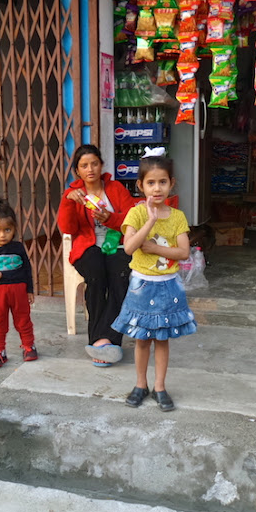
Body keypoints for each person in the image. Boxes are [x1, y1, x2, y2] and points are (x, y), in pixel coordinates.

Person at [112, 148, 197, 411]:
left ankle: (160, 386)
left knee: (162, 339)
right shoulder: (136, 214)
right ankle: (141, 384)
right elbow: (129, 248)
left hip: (168, 285)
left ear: (172, 183)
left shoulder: (178, 217)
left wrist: (154, 248)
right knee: (141, 339)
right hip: (141, 285)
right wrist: (149, 221)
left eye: (162, 182)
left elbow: (183, 252)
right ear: (141, 186)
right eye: (151, 183)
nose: (157, 188)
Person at [58, 144, 136, 366]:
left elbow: (132, 220)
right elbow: (68, 229)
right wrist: (68, 201)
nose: (90, 169)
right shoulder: (73, 194)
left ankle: (109, 340)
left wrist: (110, 218)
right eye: (84, 165)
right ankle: (98, 339)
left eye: (94, 163)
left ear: (101, 165)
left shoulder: (116, 188)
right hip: (87, 246)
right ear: (77, 171)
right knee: (96, 277)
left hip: (117, 245)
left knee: (120, 278)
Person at [0, 197, 37, 368]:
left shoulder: (18, 247)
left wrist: (29, 290)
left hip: (19, 290)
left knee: (23, 319)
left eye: (7, 230)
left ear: (14, 229)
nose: (2, 235)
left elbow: (27, 269)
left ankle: (29, 346)